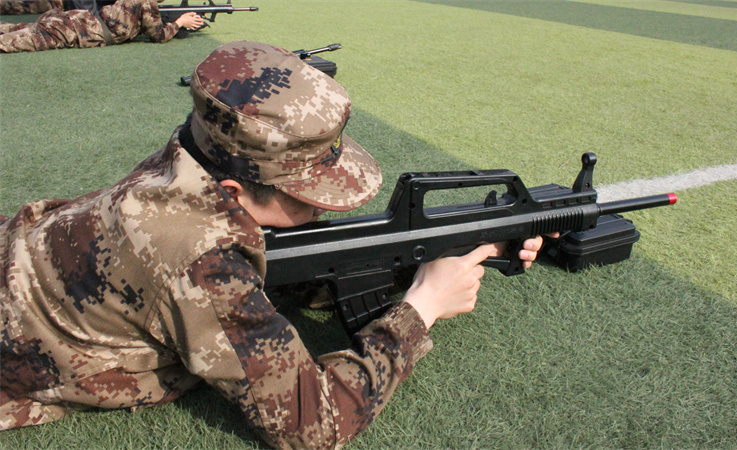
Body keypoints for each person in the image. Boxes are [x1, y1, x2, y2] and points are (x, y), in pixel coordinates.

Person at [0, 41, 551, 448]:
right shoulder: (200, 259)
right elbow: (313, 428)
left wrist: (444, 252)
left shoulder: (192, 155)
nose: (324, 210)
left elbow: (277, 259)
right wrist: (421, 307)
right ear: (234, 190)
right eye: (307, 196)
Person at [0, 0, 203, 53]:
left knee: (17, 29)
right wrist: (179, 23)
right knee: (17, 41)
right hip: (79, 28)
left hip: (75, 19)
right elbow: (159, 36)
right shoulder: (147, 4)